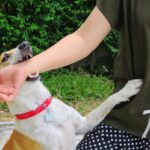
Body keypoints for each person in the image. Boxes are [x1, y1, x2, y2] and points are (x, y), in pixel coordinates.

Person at [1, 0, 150, 149]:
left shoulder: (56, 107)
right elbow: (83, 39)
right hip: (127, 123)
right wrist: (25, 68)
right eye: (5, 58)